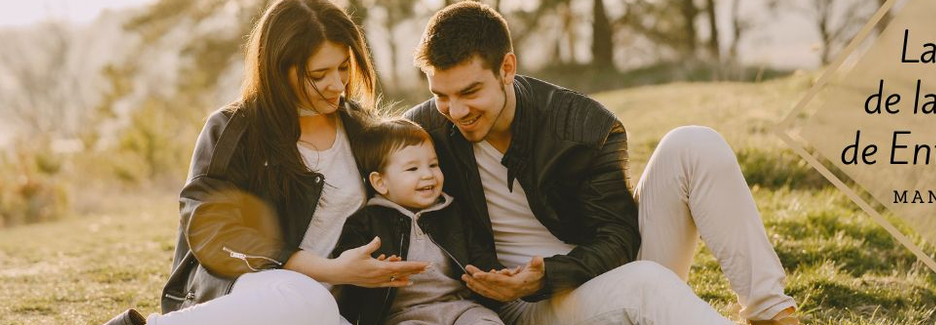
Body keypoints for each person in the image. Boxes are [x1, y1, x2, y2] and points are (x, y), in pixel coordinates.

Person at [404, 2, 800, 324]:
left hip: (595, 274)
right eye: (441, 94)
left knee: (694, 143)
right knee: (646, 284)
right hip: (521, 307)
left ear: (507, 69)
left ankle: (771, 313)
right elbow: (366, 152)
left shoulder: (582, 125)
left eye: (470, 91)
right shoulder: (425, 130)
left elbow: (619, 238)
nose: (456, 111)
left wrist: (548, 274)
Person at [103, 1, 427, 324]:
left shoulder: (360, 129)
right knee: (308, 299)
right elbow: (212, 231)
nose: (338, 84)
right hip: (243, 293)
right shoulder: (234, 129)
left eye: (344, 67)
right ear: (277, 68)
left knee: (320, 307)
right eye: (319, 74)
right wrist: (329, 270)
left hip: (328, 312)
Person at [329, 118, 505, 325]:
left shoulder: (452, 212)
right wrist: (374, 267)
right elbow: (350, 262)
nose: (427, 175)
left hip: (461, 306)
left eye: (433, 164)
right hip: (404, 315)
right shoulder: (367, 222)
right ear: (380, 182)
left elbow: (478, 253)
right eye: (412, 169)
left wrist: (495, 273)